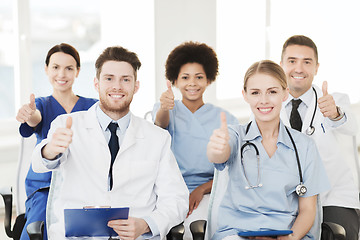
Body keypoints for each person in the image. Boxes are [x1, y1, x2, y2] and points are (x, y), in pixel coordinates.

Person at [31, 46, 189, 239]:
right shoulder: (67, 124)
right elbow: (39, 165)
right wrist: (50, 150)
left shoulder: (157, 138)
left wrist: (147, 224)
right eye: (109, 78)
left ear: (135, 86)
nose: (117, 86)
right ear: (96, 83)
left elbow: (177, 199)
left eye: (125, 80)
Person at [207, 60, 330, 240]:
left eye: (272, 92)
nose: (264, 100)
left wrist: (290, 238)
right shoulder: (234, 135)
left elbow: (308, 210)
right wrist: (217, 148)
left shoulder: (304, 146)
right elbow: (218, 156)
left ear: (285, 93)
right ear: (245, 95)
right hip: (237, 233)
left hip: (287, 235)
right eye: (255, 93)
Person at [152, 41, 239, 239]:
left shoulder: (224, 117)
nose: (192, 83)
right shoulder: (166, 110)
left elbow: (231, 168)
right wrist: (165, 106)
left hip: (210, 190)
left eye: (199, 77)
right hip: (170, 189)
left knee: (199, 228)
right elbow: (160, 124)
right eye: (185, 77)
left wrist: (201, 190)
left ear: (209, 79)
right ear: (174, 80)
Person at [280, 35, 360, 240]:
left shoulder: (335, 100)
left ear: (316, 67)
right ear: (281, 65)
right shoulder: (270, 103)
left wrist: (335, 113)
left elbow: (352, 127)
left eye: (307, 62)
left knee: (336, 234)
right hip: (285, 199)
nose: (299, 68)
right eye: (292, 61)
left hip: (332, 197)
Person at [15, 43, 98, 240]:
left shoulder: (92, 106)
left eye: (69, 68)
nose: (62, 74)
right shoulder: (42, 105)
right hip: (45, 187)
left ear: (78, 71)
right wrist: (29, 114)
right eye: (55, 67)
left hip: (83, 184)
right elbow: (36, 118)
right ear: (46, 69)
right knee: (41, 225)